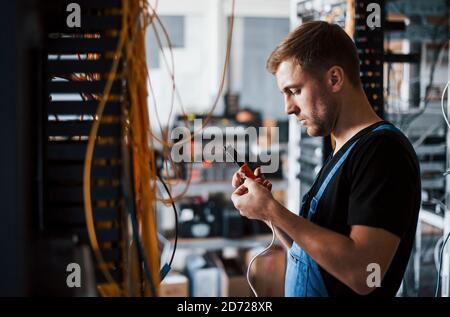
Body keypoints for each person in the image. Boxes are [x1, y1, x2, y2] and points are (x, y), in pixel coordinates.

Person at [230, 21, 421, 297]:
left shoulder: (383, 152)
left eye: (294, 91)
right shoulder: (343, 149)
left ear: (334, 79)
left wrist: (274, 210)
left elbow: (365, 273)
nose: (288, 108)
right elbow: (313, 259)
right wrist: (268, 214)